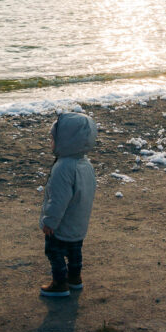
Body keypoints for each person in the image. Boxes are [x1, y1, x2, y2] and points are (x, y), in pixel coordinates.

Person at [39, 111, 97, 298]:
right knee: (74, 252)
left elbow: (58, 199)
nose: (51, 142)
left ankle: (59, 283)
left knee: (54, 252)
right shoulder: (85, 163)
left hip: (61, 224)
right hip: (79, 221)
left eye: (53, 139)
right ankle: (75, 278)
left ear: (66, 140)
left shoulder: (63, 167)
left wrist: (50, 221)